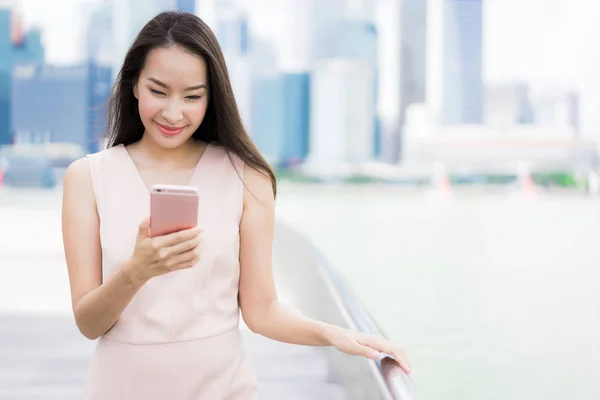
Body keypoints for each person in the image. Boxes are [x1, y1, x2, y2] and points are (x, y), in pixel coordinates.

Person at [61, 10, 410, 400]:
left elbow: (261, 310)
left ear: (212, 97)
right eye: (158, 91)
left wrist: (338, 334)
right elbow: (89, 322)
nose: (174, 113)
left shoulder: (246, 177)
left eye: (192, 96)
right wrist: (137, 271)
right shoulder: (87, 178)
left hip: (222, 389)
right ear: (134, 86)